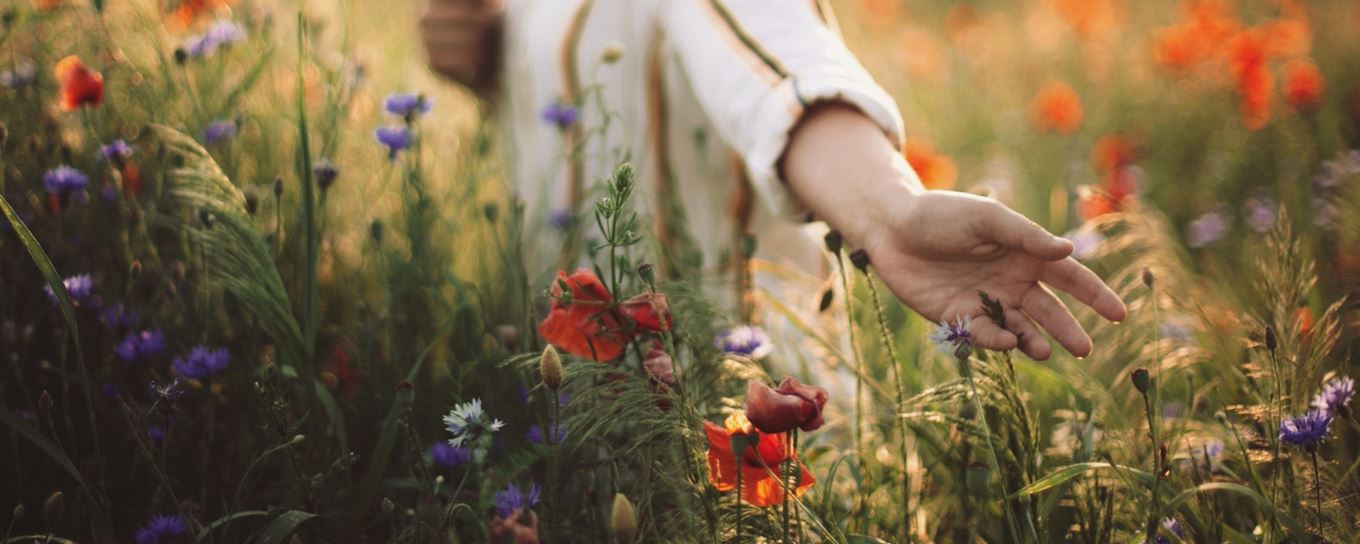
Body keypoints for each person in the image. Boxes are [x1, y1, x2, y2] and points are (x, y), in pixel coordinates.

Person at [420, 0, 1127, 361]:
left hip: (740, 431)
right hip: (565, 415)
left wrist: (886, 212)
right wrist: (479, 48)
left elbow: (785, 70)